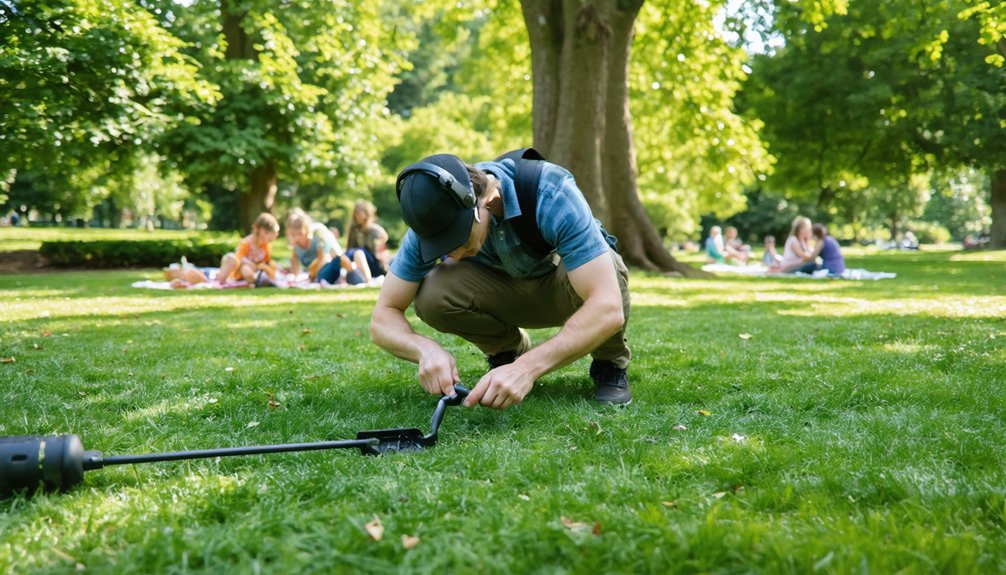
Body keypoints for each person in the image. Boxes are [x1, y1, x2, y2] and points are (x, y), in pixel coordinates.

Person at [370, 153, 632, 408]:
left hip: (566, 290)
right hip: (505, 293)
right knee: (433, 293)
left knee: (607, 265)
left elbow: (607, 307)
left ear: (484, 202)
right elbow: (384, 315)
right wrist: (423, 349)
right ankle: (507, 352)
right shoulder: (434, 219)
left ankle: (610, 363)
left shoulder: (551, 191)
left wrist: (527, 369)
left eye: (458, 238)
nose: (455, 255)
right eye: (444, 245)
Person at [286, 208, 363, 285]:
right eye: (293, 234)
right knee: (321, 277)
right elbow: (294, 264)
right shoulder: (296, 247)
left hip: (324, 268)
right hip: (317, 273)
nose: (296, 237)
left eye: (299, 234)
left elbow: (324, 258)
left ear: (306, 231)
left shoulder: (315, 240)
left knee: (338, 262)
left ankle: (358, 279)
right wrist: (295, 279)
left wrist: (315, 274)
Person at [218, 212, 280, 285]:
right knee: (245, 269)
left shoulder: (265, 245)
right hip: (241, 272)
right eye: (267, 232)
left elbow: (267, 261)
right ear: (260, 230)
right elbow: (239, 258)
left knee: (271, 269)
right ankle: (256, 280)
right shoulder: (246, 243)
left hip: (256, 271)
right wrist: (250, 264)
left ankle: (258, 280)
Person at [345, 201, 390, 286]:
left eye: (360, 212)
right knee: (351, 253)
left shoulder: (374, 229)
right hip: (358, 261)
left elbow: (383, 245)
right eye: (357, 212)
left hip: (375, 263)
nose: (358, 215)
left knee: (359, 251)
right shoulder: (354, 229)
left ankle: (368, 280)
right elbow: (349, 248)